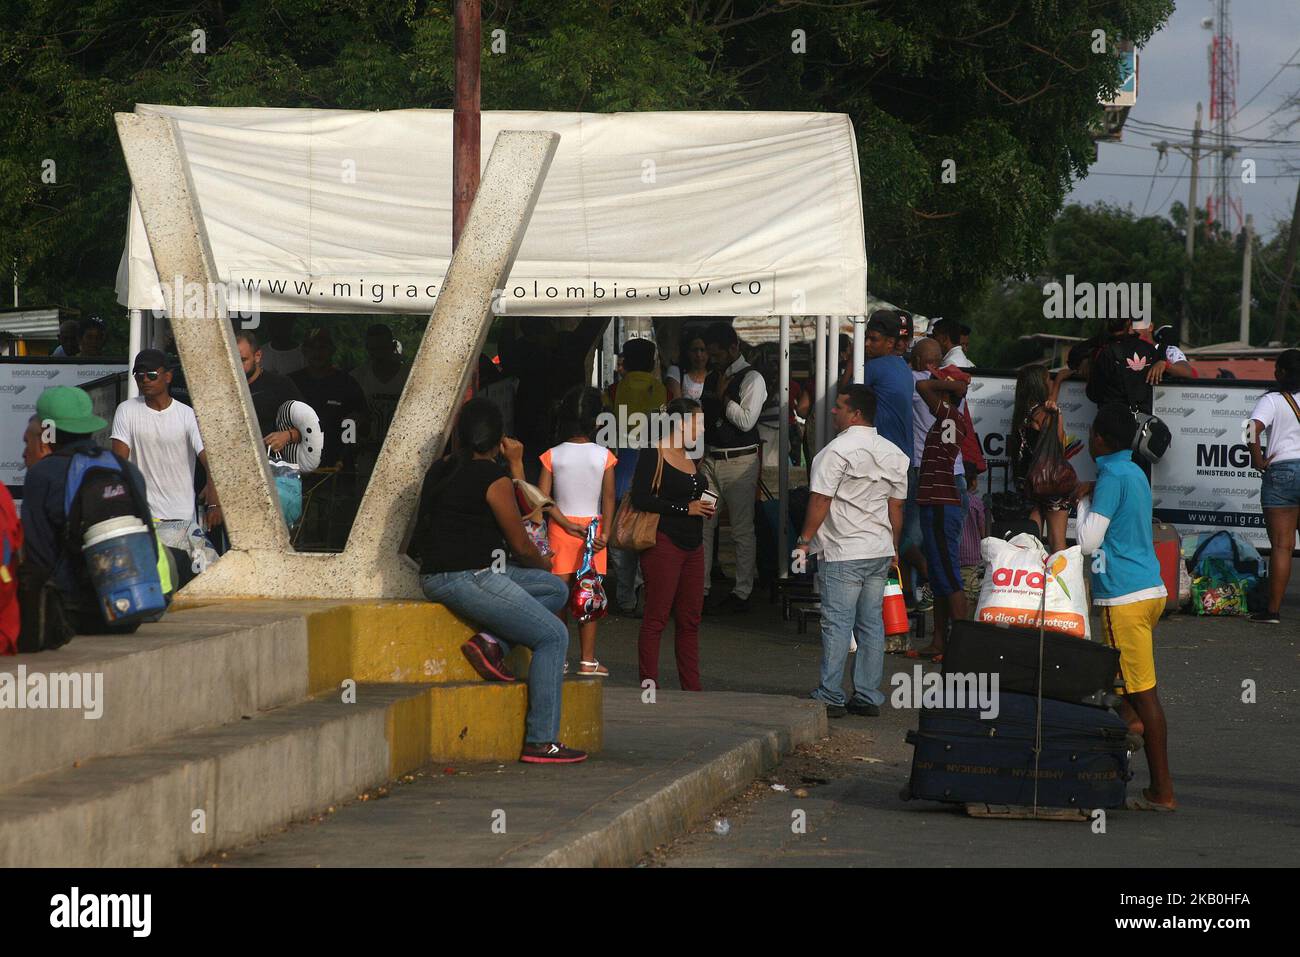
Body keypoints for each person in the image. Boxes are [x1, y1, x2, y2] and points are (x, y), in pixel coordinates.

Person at [415, 397, 585, 764]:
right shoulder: (493, 480)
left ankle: (493, 643)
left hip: (441, 573)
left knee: (555, 589)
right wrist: (543, 562)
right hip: (469, 576)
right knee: (553, 636)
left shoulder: (440, 469)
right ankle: (542, 740)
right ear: (498, 439)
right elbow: (523, 542)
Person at [1073, 402, 1174, 811]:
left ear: (1099, 440)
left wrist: (1078, 506)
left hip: (1123, 598)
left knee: (1144, 695)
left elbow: (1088, 543)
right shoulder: (1132, 470)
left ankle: (1162, 791)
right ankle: (1125, 728)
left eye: (1092, 434)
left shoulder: (1111, 475)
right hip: (1151, 591)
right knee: (1128, 689)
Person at [796, 385, 908, 718]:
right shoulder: (893, 453)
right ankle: (868, 695)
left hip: (843, 549)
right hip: (878, 549)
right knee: (871, 624)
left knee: (837, 623)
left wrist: (804, 539)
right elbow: (897, 507)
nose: (833, 411)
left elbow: (820, 500)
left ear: (855, 413)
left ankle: (830, 693)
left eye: (839, 407)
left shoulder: (834, 452)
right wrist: (894, 547)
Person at [21, 386, 154, 635]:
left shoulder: (43, 474)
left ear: (48, 431)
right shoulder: (126, 469)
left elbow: (38, 555)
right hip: (130, 612)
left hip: (72, 615)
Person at [633, 397, 713, 691]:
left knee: (690, 619)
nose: (702, 429)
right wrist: (685, 509)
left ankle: (692, 688)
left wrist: (703, 504)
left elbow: (690, 494)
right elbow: (640, 498)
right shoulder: (654, 453)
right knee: (657, 617)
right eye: (698, 422)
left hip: (693, 544)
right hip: (664, 541)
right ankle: (648, 687)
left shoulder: (691, 455)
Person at [111, 349, 220, 558]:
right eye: (139, 375)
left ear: (167, 376)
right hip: (143, 519)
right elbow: (118, 466)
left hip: (183, 519)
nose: (145, 380)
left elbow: (210, 462)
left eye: (151, 374)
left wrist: (214, 503)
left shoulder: (187, 414)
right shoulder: (126, 410)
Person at [539, 387, 617, 676]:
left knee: (559, 597)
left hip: (560, 530)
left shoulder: (551, 455)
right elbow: (609, 498)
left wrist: (564, 522)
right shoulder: (604, 456)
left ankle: (558, 659)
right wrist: (606, 534)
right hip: (594, 533)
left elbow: (542, 500)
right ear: (597, 422)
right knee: (589, 594)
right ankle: (587, 659)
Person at [700, 321, 766, 613]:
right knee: (703, 524)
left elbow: (746, 421)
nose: (712, 360)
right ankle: (700, 588)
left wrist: (724, 398)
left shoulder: (752, 378)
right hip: (712, 460)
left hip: (739, 461)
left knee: (741, 528)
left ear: (733, 348)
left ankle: (742, 591)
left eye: (716, 355)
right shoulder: (714, 377)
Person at [498, 316, 609, 481]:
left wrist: (508, 320)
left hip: (535, 429)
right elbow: (593, 323)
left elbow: (507, 356)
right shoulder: (567, 346)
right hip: (549, 429)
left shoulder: (529, 351)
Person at [912, 351, 971, 659]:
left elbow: (923, 389)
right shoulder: (948, 417)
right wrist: (947, 383)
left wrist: (946, 384)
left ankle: (961, 647)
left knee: (948, 574)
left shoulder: (949, 417)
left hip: (941, 504)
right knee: (939, 575)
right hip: (935, 503)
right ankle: (940, 641)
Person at [1059, 316, 1162, 481]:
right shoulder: (1148, 349)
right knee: (1139, 477)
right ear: (1129, 322)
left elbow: (1093, 393)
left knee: (1111, 477)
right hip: (1141, 428)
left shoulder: (1102, 352)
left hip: (1111, 428)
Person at [605, 338, 666, 615]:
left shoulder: (613, 390)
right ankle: (643, 592)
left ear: (625, 362)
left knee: (620, 538)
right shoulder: (662, 391)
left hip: (619, 472)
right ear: (652, 361)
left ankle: (625, 596)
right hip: (652, 473)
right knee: (645, 535)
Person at [1247, 349, 1300, 624]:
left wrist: (1258, 460)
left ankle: (1273, 611)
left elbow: (1249, 428)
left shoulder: (1272, 400)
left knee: (1282, 546)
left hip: (1281, 472)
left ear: (1280, 373)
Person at [1008, 365, 1069, 553]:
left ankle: (1031, 580)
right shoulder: (1049, 414)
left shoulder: (1021, 415)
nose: (1050, 383)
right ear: (1039, 385)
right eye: (1047, 380)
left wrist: (1058, 382)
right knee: (1057, 543)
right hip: (1051, 484)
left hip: (1029, 484)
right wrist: (1057, 414)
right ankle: (1061, 581)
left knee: (1031, 543)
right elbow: (1058, 446)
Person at [290, 328, 367, 471]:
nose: (317, 353)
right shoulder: (292, 382)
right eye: (312, 348)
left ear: (332, 350)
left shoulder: (347, 383)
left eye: (322, 348)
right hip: (298, 465)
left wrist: (344, 456)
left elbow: (357, 421)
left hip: (336, 467)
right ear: (304, 351)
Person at [353, 323, 411, 478]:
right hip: (366, 453)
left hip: (401, 451)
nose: (378, 354)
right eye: (373, 349)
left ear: (392, 346)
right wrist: (352, 444)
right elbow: (349, 416)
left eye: (382, 348)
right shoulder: (357, 377)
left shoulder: (410, 377)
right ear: (367, 348)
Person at [236, 332, 305, 451]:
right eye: (231, 359)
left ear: (257, 356)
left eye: (243, 360)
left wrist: (286, 436)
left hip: (272, 463)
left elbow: (308, 426)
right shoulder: (222, 388)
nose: (236, 365)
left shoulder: (279, 384)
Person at [861, 310, 914, 457]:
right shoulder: (904, 366)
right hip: (903, 457)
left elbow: (845, 401)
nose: (866, 344)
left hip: (884, 460)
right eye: (866, 338)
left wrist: (855, 360)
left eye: (873, 339)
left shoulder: (873, 367)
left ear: (890, 342)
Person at [665, 331, 708, 401]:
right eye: (694, 350)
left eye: (702, 350)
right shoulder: (676, 372)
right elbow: (676, 405)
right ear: (687, 352)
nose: (698, 355)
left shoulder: (714, 374)